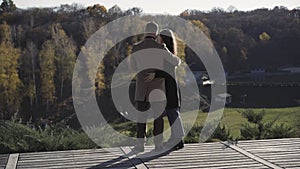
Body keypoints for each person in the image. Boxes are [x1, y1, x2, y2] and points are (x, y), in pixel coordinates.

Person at [129, 22, 181, 152]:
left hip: (141, 86)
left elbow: (132, 67)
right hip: (158, 87)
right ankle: (158, 145)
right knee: (158, 118)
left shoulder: (136, 47)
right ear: (156, 33)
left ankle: (140, 145)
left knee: (141, 117)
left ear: (145, 32)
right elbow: (176, 62)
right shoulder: (161, 47)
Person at [156, 29, 185, 150]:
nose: (157, 39)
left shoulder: (165, 52)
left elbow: (175, 63)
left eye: (159, 37)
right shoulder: (165, 52)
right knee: (171, 111)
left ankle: (178, 139)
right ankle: (175, 138)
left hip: (169, 85)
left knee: (172, 111)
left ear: (164, 39)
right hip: (168, 84)